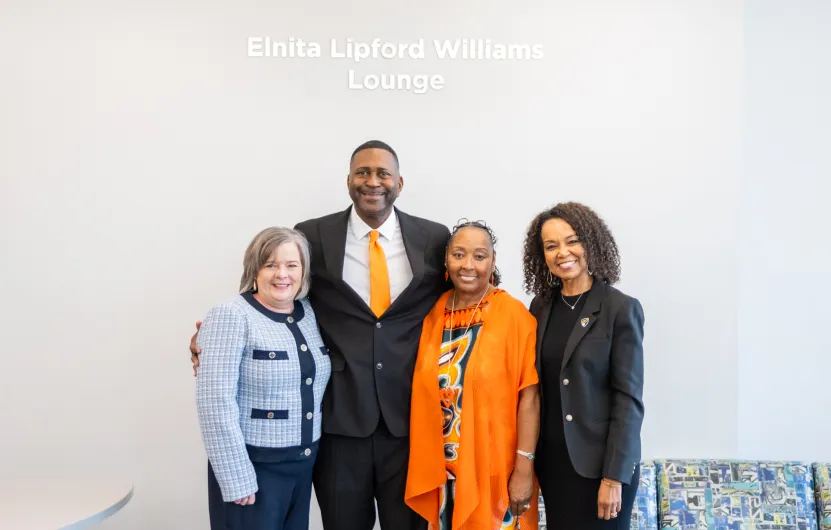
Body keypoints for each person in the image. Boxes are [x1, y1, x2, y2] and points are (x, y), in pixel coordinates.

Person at [192, 141, 450, 530]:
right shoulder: (313, 235)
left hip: (410, 420)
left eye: (383, 174)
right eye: (362, 172)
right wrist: (209, 340)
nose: (372, 181)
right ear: (348, 180)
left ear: (400, 182)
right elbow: (279, 296)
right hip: (337, 423)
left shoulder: (433, 238)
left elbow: (454, 305)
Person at [406, 220, 540, 530]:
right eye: (459, 254)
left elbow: (530, 399)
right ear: (446, 260)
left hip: (496, 473)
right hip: (442, 474)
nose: (468, 265)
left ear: (493, 261)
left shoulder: (514, 315)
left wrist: (524, 468)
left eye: (479, 256)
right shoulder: (435, 311)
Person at [195, 227, 331, 530]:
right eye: (270, 264)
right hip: (254, 470)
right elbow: (214, 402)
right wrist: (236, 476)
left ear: (303, 271)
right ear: (254, 268)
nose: (281, 274)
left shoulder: (309, 313)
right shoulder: (230, 315)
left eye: (291, 265)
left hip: (302, 466)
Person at [521, 202, 645, 529]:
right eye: (551, 246)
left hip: (603, 469)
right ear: (542, 256)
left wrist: (614, 478)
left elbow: (628, 400)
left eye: (572, 240)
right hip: (554, 464)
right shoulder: (541, 307)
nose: (563, 252)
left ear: (590, 243)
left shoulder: (620, 309)